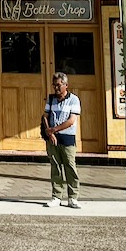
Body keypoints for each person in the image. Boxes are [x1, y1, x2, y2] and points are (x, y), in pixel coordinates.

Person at [42, 72, 81, 208]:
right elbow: (45, 116)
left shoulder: (74, 99)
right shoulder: (51, 99)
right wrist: (49, 132)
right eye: (54, 85)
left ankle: (73, 197)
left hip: (67, 138)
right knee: (56, 167)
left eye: (59, 85)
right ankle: (57, 196)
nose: (56, 88)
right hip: (53, 138)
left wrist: (54, 129)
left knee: (70, 166)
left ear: (66, 85)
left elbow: (71, 121)